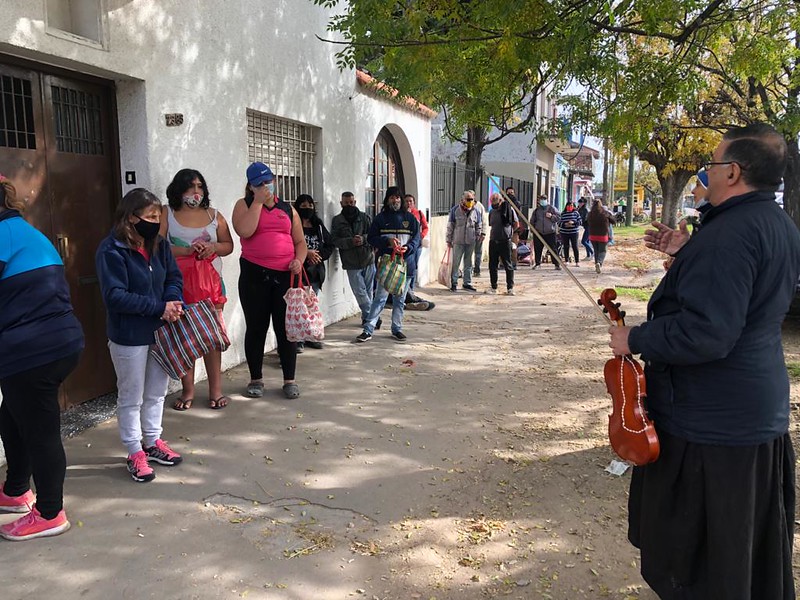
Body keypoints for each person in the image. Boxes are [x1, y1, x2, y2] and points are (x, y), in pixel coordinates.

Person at [609, 123, 800, 600]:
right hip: (751, 414)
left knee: (702, 567)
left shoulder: (730, 234)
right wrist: (689, 253)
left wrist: (634, 337)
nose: (705, 175)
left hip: (713, 426)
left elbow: (707, 333)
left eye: (710, 166)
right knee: (739, 562)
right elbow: (742, 293)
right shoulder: (775, 223)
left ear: (733, 172)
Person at [0, 176, 83, 540]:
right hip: (59, 342)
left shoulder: (3, 236)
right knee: (11, 416)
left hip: (32, 352)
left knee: (39, 432)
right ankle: (16, 490)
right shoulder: (26, 232)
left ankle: (50, 512)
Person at [96, 188, 184, 483]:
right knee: (131, 396)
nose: (155, 222)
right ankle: (134, 451)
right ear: (131, 217)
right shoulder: (111, 250)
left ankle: (153, 441)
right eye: (150, 216)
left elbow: (174, 277)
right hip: (129, 335)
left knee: (156, 393)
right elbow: (115, 296)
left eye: (158, 217)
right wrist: (159, 308)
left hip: (160, 331)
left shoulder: (160, 245)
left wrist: (171, 301)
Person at [232, 162, 306, 400]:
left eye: (268, 181)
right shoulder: (243, 205)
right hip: (254, 275)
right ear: (250, 186)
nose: (266, 186)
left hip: (285, 275)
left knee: (286, 329)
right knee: (256, 327)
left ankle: (289, 380)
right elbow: (245, 231)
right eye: (260, 184)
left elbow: (300, 242)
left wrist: (299, 260)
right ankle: (256, 379)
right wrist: (257, 202)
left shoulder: (287, 208)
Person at [162, 169, 234, 410]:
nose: (196, 192)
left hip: (211, 285)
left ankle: (216, 391)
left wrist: (213, 248)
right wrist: (186, 251)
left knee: (212, 338)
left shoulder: (214, 215)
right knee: (185, 337)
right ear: (178, 189)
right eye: (190, 186)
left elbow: (228, 245)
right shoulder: (167, 213)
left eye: (200, 186)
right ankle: (188, 391)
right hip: (178, 285)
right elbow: (157, 246)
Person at [355, 187, 420, 343]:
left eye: (397, 197)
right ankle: (368, 329)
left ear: (401, 200)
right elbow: (371, 238)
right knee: (380, 298)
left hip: (406, 265)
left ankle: (397, 329)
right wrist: (387, 241)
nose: (395, 200)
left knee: (400, 299)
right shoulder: (380, 219)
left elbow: (417, 239)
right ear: (387, 200)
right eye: (392, 197)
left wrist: (408, 248)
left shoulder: (410, 219)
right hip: (387, 265)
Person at [331, 192, 379, 330]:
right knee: (359, 291)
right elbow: (334, 240)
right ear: (341, 203)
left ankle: (366, 319)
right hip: (351, 262)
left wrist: (363, 239)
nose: (349, 205)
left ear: (355, 202)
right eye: (346, 203)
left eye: (351, 202)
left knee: (369, 291)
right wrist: (350, 242)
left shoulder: (365, 217)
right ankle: (373, 317)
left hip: (368, 258)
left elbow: (374, 235)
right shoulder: (337, 221)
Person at [294, 193, 333, 351]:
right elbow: (289, 245)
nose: (307, 208)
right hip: (298, 272)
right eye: (303, 206)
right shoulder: (293, 224)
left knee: (311, 306)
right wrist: (306, 254)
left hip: (315, 273)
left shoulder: (318, 225)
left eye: (310, 206)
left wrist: (317, 256)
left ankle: (310, 336)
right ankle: (298, 340)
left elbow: (330, 245)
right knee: (298, 307)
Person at [402, 194, 435, 310]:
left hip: (417, 245)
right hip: (405, 245)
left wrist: (420, 236)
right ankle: (407, 293)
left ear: (414, 203)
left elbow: (425, 227)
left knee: (413, 267)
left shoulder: (419, 213)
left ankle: (411, 290)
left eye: (410, 201)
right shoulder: (402, 215)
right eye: (406, 201)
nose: (408, 203)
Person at [446, 190, 483, 291]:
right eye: (468, 199)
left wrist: (478, 236)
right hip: (458, 241)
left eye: (472, 199)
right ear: (462, 200)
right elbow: (450, 226)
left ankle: (467, 283)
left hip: (470, 241)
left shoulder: (476, 211)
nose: (470, 201)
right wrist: (448, 239)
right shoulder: (455, 210)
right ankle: (454, 283)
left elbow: (478, 225)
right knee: (456, 263)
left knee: (468, 263)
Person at [486, 192, 518, 295]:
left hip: (505, 241)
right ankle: (493, 287)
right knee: (492, 265)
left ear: (500, 201)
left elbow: (516, 224)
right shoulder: (492, 212)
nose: (494, 205)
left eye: (495, 203)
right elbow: (491, 224)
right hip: (493, 240)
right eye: (492, 203)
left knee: (508, 264)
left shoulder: (509, 210)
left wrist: (509, 232)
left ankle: (510, 288)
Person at [530, 195, 560, 270]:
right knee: (538, 248)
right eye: (541, 199)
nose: (543, 201)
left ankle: (557, 264)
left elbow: (558, 217)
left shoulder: (552, 208)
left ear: (547, 200)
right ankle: (537, 263)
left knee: (553, 249)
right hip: (538, 232)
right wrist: (532, 229)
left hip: (550, 232)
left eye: (544, 199)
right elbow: (532, 220)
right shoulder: (537, 210)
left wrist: (551, 216)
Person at [587, 199, 615, 273]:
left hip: (592, 235)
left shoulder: (590, 214)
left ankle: (596, 264)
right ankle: (599, 262)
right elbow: (613, 221)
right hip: (603, 235)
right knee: (603, 250)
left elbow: (586, 222)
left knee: (596, 251)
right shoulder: (605, 213)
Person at [558, 200, 582, 266]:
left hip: (574, 232)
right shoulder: (563, 213)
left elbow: (580, 221)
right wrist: (565, 224)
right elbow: (559, 222)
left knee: (575, 246)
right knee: (566, 246)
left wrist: (573, 223)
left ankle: (577, 261)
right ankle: (566, 260)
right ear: (566, 206)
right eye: (568, 205)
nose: (570, 207)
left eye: (571, 205)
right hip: (564, 232)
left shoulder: (576, 213)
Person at [472, 198, 486, 278]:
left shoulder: (479, 206)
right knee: (468, 254)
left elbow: (484, 221)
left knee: (478, 253)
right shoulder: (463, 206)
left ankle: (477, 270)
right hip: (468, 235)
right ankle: (468, 270)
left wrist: (483, 233)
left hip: (478, 234)